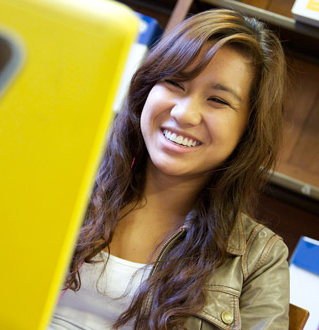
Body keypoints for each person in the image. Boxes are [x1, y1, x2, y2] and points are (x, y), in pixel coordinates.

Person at [49, 8, 289, 330]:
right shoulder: (62, 181)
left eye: (217, 100)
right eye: (175, 82)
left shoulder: (260, 257)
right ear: (146, 88)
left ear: (248, 127)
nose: (185, 114)